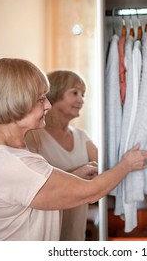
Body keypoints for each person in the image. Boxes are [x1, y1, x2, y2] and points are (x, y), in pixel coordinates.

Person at [0, 58, 147, 241]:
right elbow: (92, 191)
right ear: (14, 103)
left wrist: (73, 174)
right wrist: (127, 164)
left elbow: (27, 190)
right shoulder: (15, 165)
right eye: (40, 99)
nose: (48, 105)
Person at [25, 70, 97, 241]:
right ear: (55, 95)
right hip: (46, 233)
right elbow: (36, 188)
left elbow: (104, 166)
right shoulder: (33, 136)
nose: (81, 100)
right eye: (74, 93)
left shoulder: (82, 136)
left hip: (75, 229)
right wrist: (79, 173)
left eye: (83, 95)